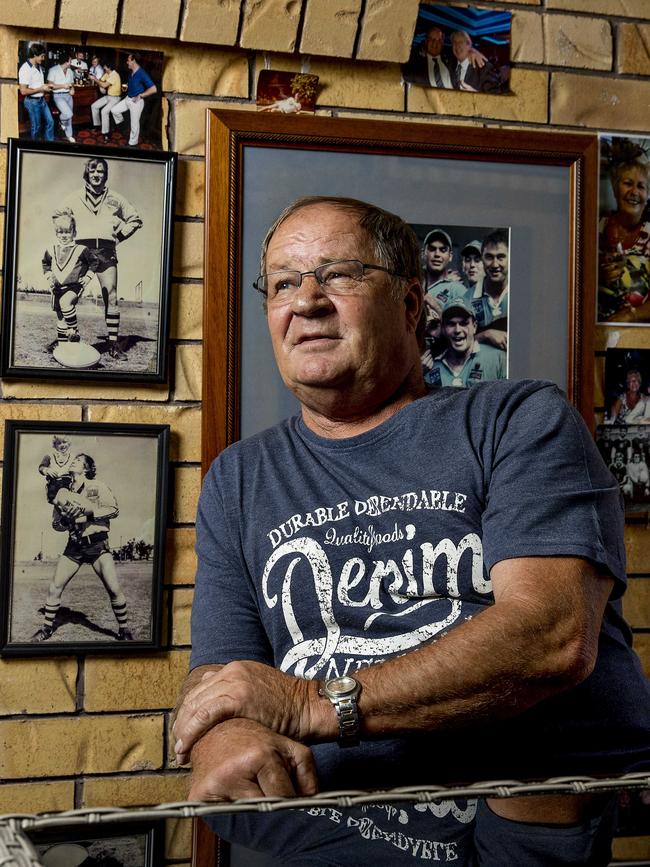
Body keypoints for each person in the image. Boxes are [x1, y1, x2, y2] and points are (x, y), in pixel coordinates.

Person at [173, 196, 650, 866]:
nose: (305, 301)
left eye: (339, 274)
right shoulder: (238, 479)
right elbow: (222, 686)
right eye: (283, 283)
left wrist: (314, 705)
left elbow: (551, 635)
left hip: (525, 830)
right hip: (331, 836)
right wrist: (221, 738)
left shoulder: (516, 420)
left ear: (410, 304)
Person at [32, 452, 134, 642]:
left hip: (97, 544)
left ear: (86, 468)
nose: (73, 461)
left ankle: (124, 630)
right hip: (74, 545)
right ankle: (46, 629)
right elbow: (56, 525)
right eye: (74, 459)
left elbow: (114, 510)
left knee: (113, 588)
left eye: (78, 461)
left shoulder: (97, 486)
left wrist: (86, 515)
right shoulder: (62, 491)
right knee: (55, 587)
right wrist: (64, 519)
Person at [63, 157, 143, 360]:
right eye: (92, 171)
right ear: (87, 173)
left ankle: (114, 345)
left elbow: (135, 219)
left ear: (105, 175)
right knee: (69, 294)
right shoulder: (74, 197)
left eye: (100, 171)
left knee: (112, 295)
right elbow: (59, 217)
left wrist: (119, 236)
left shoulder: (116, 198)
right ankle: (66, 340)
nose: (96, 174)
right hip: (82, 251)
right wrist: (68, 241)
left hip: (107, 251)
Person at [598, 145, 650, 322]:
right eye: (627, 183)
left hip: (638, 339)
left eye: (641, 186)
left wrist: (630, 315)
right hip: (593, 335)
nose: (634, 192)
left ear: (647, 195)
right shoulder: (594, 226)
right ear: (614, 189)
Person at [41, 207, 96, 346]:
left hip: (74, 286)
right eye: (60, 232)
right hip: (57, 288)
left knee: (66, 302)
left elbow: (95, 262)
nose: (64, 235)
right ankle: (63, 347)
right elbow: (45, 264)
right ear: (56, 233)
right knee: (60, 319)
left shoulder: (81, 249)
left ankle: (74, 331)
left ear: (74, 232)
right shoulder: (51, 249)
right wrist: (49, 278)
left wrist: (88, 277)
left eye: (67, 232)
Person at [424, 297, 506, 387]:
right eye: (451, 324)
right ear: (443, 328)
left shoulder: (498, 360)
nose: (457, 330)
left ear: (474, 327)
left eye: (464, 323)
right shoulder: (430, 368)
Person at [110, 53, 157, 147]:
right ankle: (122, 126)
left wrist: (141, 96)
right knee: (114, 110)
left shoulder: (142, 73)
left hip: (136, 102)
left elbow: (154, 89)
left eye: (128, 60)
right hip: (128, 99)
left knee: (134, 126)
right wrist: (127, 86)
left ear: (133, 61)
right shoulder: (131, 71)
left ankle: (132, 144)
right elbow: (133, 83)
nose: (127, 62)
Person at [18, 42, 54, 141]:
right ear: (34, 55)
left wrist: (46, 86)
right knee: (36, 127)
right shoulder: (25, 69)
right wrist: (41, 89)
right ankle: (35, 149)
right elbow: (23, 91)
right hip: (32, 102)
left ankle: (49, 145)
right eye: (42, 56)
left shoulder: (38, 66)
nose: (43, 58)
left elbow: (38, 84)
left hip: (41, 100)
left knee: (50, 122)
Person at [421, 228, 465, 303]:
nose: (437, 254)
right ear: (423, 254)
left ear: (450, 256)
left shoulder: (457, 290)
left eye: (443, 250)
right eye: (432, 249)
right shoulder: (411, 284)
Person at [90, 60, 122, 142]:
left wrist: (95, 80)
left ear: (109, 68)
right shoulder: (108, 73)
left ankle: (106, 134)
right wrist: (96, 79)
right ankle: (97, 125)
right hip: (108, 96)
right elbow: (101, 80)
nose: (104, 68)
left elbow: (103, 84)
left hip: (116, 98)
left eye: (105, 67)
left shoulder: (114, 75)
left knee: (104, 112)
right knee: (94, 106)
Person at [47, 55, 76, 142]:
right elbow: (50, 85)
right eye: (70, 61)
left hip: (68, 95)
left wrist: (72, 89)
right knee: (68, 114)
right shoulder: (53, 70)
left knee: (69, 117)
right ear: (66, 62)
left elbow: (71, 83)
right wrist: (63, 86)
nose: (71, 63)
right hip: (58, 96)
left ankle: (69, 135)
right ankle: (61, 122)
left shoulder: (70, 71)